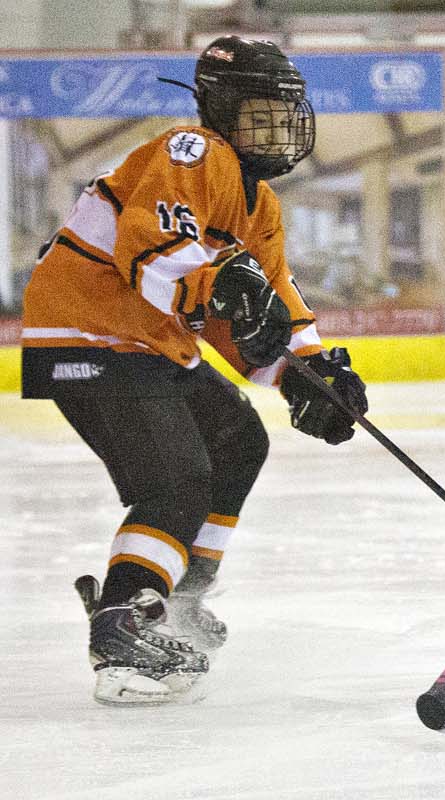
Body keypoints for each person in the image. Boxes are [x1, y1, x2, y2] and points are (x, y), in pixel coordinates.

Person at [19, 36, 368, 705]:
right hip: (90, 332)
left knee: (239, 439)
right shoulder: (193, 150)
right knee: (176, 481)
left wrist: (310, 372)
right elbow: (148, 250)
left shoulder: (260, 203)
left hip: (145, 341)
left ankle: (176, 599)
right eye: (258, 111)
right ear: (218, 107)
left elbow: (267, 302)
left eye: (284, 112)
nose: (276, 127)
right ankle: (122, 627)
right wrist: (217, 283)